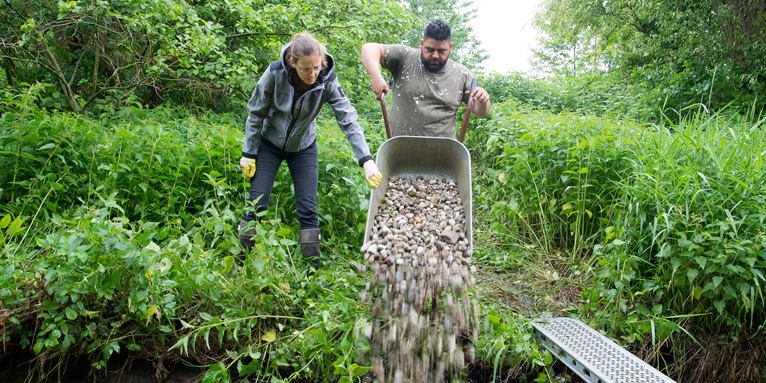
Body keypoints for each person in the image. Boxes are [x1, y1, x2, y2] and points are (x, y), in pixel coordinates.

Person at [238, 31, 382, 268]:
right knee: (257, 205)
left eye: (316, 67)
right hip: (268, 145)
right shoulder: (275, 73)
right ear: (293, 63)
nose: (312, 74)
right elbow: (256, 113)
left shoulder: (327, 81)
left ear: (322, 62)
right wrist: (248, 153)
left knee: (308, 208)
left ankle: (311, 272)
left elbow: (348, 120)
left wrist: (366, 160)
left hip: (303, 148)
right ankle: (239, 265)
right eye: (306, 69)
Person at [360, 20, 491, 138]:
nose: (435, 55)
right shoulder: (406, 58)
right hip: (401, 151)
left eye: (441, 51)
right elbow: (369, 48)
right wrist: (376, 76)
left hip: (442, 155)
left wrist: (484, 101)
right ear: (422, 44)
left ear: (450, 47)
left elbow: (480, 112)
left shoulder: (461, 74)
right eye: (429, 49)